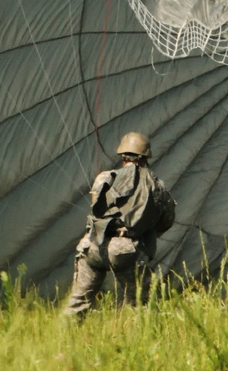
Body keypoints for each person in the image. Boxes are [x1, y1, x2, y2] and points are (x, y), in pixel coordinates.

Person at [63, 132, 175, 316]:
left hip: (92, 245)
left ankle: (61, 338)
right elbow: (166, 220)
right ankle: (126, 338)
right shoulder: (156, 186)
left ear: (123, 157)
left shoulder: (105, 178)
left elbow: (96, 206)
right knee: (138, 305)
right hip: (125, 249)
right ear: (145, 158)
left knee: (77, 303)